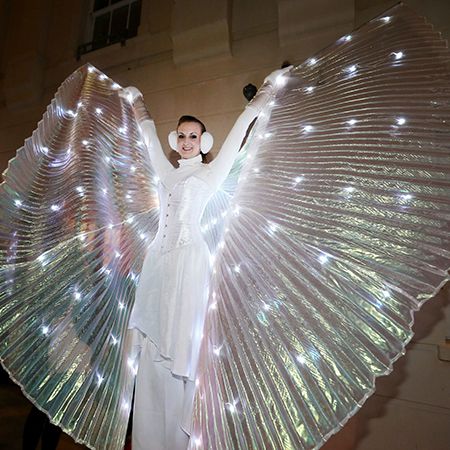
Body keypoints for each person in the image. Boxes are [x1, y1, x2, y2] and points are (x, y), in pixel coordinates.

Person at [120, 66, 291, 450]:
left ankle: (182, 439)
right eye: (181, 135)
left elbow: (243, 126)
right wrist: (137, 103)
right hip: (158, 266)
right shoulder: (168, 174)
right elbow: (148, 138)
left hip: (190, 266)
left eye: (193, 136)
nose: (186, 141)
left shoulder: (211, 173)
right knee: (153, 355)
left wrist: (268, 88)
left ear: (203, 140)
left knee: (182, 353)